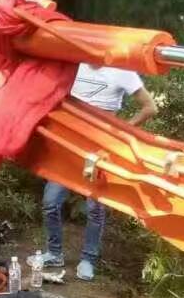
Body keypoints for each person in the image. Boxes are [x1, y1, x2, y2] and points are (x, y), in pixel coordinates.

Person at [42, 63, 158, 280]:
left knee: (94, 207)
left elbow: (150, 107)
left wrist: (120, 131)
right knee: (51, 201)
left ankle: (88, 260)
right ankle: (54, 253)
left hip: (99, 149)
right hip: (68, 144)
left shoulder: (123, 70)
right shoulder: (74, 64)